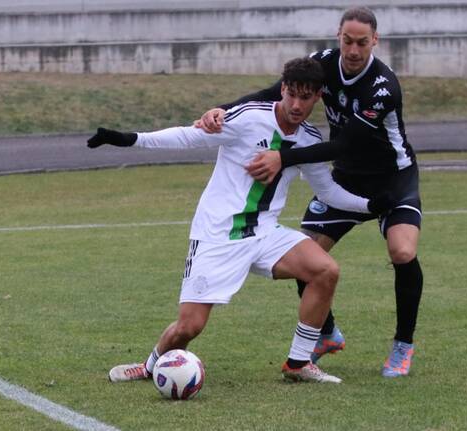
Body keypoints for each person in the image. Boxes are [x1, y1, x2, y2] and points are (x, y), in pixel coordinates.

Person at [87, 57, 397, 385]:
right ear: (282, 89)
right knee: (189, 327)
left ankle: (298, 363)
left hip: (264, 232)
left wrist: (370, 205)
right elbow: (188, 137)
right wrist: (128, 138)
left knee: (325, 271)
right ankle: (150, 367)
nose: (295, 104)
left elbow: (328, 192)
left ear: (317, 97)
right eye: (291, 94)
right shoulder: (250, 117)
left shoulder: (309, 138)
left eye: (305, 97)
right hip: (217, 234)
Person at [196, 7, 423, 378]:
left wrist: (282, 157)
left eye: (362, 43)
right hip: (346, 179)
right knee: (305, 254)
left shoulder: (383, 87)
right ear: (338, 35)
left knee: (402, 251)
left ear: (375, 41)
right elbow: (274, 93)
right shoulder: (322, 64)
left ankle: (402, 345)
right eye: (347, 41)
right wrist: (223, 110)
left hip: (391, 179)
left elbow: (341, 145)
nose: (353, 50)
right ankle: (327, 333)